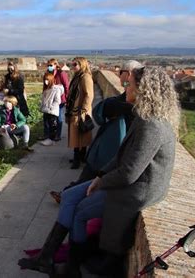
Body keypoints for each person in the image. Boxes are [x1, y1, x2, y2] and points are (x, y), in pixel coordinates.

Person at [18, 67, 180, 277]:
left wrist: (100, 182)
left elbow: (130, 172)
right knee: (69, 196)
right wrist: (101, 175)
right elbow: (122, 157)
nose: (125, 87)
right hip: (127, 182)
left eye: (129, 84)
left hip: (135, 190)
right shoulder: (143, 117)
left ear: (143, 90)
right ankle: (47, 257)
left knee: (80, 212)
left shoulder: (152, 127)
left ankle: (71, 268)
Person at [49, 60, 143, 203]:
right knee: (88, 176)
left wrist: (85, 111)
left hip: (111, 150)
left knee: (91, 178)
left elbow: (91, 100)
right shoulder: (123, 99)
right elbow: (101, 112)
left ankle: (68, 197)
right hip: (106, 148)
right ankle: (67, 194)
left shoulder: (131, 103)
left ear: (129, 74)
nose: (119, 75)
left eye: (121, 72)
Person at [66, 57, 94, 169]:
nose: (73, 66)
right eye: (72, 64)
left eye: (75, 64)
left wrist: (84, 110)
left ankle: (77, 159)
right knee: (78, 134)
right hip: (75, 110)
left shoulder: (85, 77)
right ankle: (81, 157)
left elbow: (89, 95)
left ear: (82, 65)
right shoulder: (78, 76)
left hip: (80, 111)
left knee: (79, 135)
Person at [42, 58, 69, 141]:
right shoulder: (48, 73)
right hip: (49, 98)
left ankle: (58, 135)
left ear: (55, 65)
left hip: (59, 99)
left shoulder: (61, 73)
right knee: (46, 117)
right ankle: (47, 134)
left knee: (58, 117)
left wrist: (67, 98)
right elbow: (45, 86)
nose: (49, 67)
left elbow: (66, 86)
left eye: (51, 65)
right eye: (48, 65)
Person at [40, 73, 64, 146]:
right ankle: (48, 138)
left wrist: (51, 107)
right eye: (44, 79)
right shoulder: (46, 89)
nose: (45, 81)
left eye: (47, 79)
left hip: (52, 111)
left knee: (52, 126)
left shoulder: (55, 89)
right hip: (46, 110)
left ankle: (51, 140)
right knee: (47, 124)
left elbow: (58, 101)